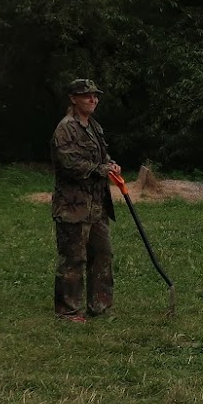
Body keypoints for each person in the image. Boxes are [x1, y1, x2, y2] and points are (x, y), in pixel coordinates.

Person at [51, 78, 121, 322]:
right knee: (73, 258)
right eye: (87, 95)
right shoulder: (65, 129)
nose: (93, 99)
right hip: (73, 206)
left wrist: (111, 164)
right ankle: (68, 311)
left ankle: (99, 306)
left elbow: (102, 155)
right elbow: (70, 164)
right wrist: (101, 169)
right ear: (73, 99)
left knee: (102, 255)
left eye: (95, 96)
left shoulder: (94, 127)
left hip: (97, 205)